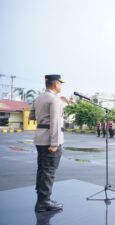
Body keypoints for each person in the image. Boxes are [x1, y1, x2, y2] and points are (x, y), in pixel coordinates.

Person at [29, 74, 65, 212]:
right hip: (51, 139)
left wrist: (42, 116)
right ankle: (43, 202)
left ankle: (42, 199)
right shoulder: (54, 99)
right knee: (49, 171)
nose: (61, 86)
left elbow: (32, 116)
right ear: (56, 84)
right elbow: (55, 122)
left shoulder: (38, 98)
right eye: (60, 83)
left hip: (40, 138)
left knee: (42, 169)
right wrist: (55, 143)